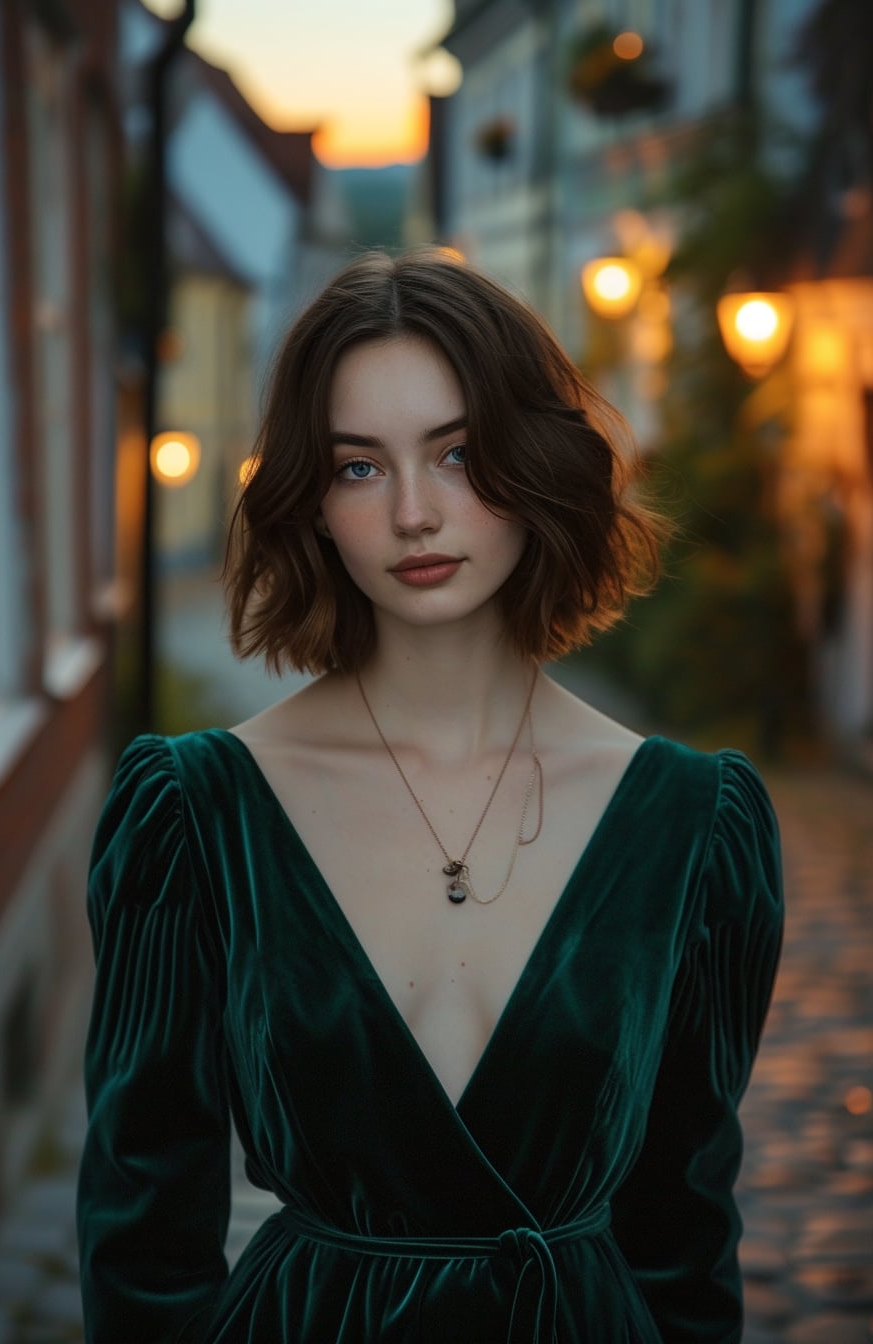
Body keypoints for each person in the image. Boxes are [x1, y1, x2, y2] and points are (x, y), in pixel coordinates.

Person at [77, 248, 783, 1343]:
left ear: (534, 461)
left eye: (456, 454)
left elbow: (682, 1237)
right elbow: (142, 1240)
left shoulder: (691, 827)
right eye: (359, 467)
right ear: (308, 502)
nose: (414, 512)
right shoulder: (197, 815)